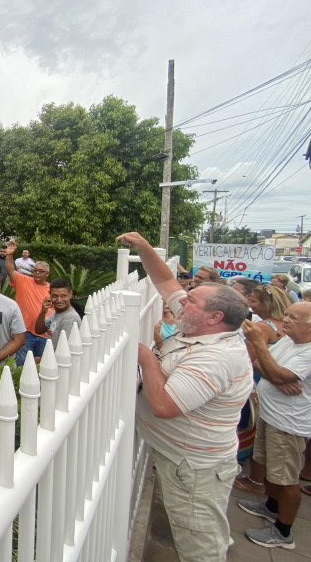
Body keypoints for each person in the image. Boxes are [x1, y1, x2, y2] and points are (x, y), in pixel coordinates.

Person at [118, 231, 252, 562]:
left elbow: (164, 406)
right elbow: (165, 281)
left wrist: (147, 357)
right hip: (186, 461)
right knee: (206, 534)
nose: (181, 300)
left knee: (200, 550)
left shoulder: (218, 357)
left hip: (193, 472)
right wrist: (144, 248)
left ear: (214, 317)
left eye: (192, 299)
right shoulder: (199, 321)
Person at [237, 302, 311, 550]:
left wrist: (261, 347)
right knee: (270, 467)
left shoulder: (308, 352)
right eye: (287, 314)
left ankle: (283, 532)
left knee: (286, 479)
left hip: (288, 424)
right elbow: (260, 364)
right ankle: (271, 506)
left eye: (294, 317)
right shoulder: (290, 341)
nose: (286, 320)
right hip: (272, 415)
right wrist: (278, 379)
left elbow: (271, 366)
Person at [233, 284, 293, 494]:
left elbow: (249, 361)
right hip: (274, 385)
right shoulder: (285, 328)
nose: (251, 305)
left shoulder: (262, 328)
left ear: (267, 303)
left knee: (249, 426)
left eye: (254, 301)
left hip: (258, 383)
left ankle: (256, 480)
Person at [5, 240, 51, 365]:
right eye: (35, 270)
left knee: (43, 366)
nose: (36, 273)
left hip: (45, 335)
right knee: (23, 366)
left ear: (47, 274)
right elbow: (10, 271)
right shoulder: (24, 281)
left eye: (40, 271)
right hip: (25, 333)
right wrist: (9, 255)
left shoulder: (52, 289)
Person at [34, 278, 81, 350]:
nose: (59, 300)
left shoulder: (70, 318)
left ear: (70, 294)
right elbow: (39, 330)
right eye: (55, 296)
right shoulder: (56, 313)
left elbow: (64, 349)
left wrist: (41, 359)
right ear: (49, 294)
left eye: (63, 296)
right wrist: (43, 312)